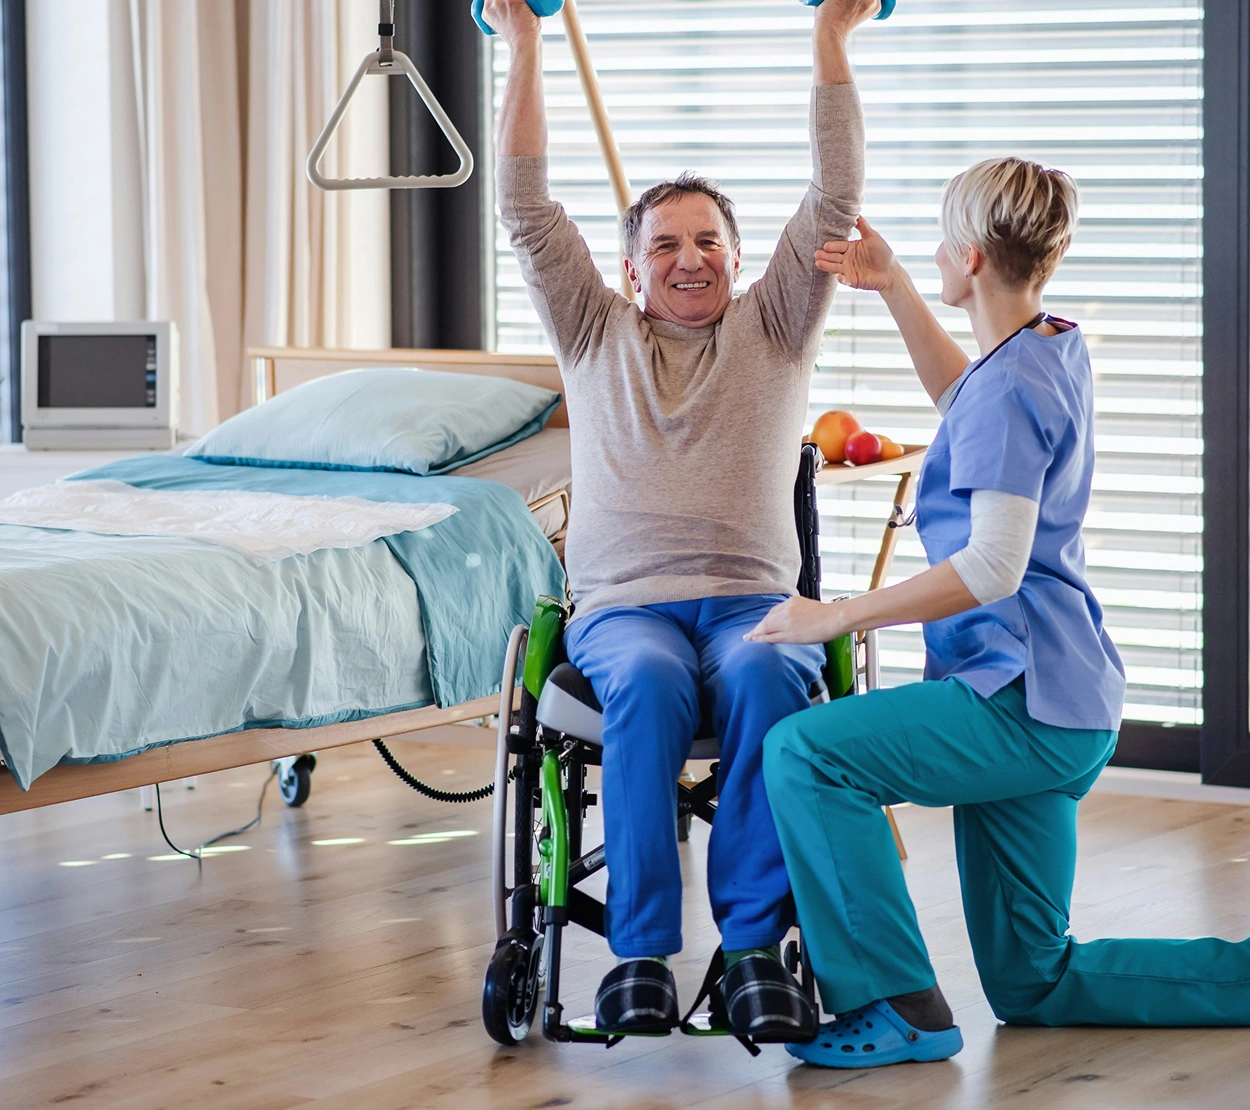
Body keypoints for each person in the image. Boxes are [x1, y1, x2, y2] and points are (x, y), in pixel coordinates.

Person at [748, 156, 1250, 1069]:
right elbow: (968, 397)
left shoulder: (1013, 383)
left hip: (1020, 702)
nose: (936, 252)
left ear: (972, 256)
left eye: (942, 242)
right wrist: (897, 283)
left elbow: (991, 565)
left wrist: (837, 615)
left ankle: (895, 1007)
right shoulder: (1046, 343)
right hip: (1067, 698)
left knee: (807, 753)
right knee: (1033, 982)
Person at [483, 0, 880, 1040]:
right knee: (653, 684)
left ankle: (749, 951)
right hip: (626, 611)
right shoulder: (589, 328)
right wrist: (523, 43)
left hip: (753, 603)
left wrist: (828, 36)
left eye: (708, 240)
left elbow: (833, 194)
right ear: (628, 270)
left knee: (758, 673)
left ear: (741, 260)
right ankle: (642, 957)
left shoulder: (777, 324)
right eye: (664, 244)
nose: (688, 257)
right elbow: (524, 208)